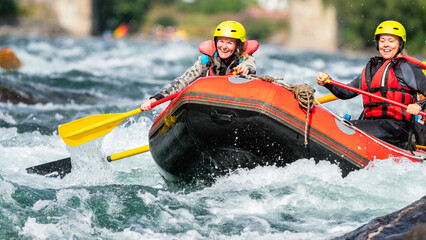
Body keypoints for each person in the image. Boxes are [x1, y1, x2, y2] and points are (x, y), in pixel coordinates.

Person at [316, 20, 426, 149]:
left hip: (397, 129)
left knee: (349, 128)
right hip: (374, 124)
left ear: (400, 44)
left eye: (391, 41)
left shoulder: (408, 67)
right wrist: (328, 82)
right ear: (377, 43)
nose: (386, 45)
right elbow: (347, 93)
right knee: (345, 125)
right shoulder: (372, 68)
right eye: (382, 40)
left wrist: (419, 105)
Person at [141, 20, 258, 111]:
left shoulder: (245, 59)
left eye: (230, 43)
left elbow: (250, 66)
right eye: (221, 41)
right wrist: (155, 98)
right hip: (208, 105)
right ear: (216, 41)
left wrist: (246, 69)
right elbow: (182, 81)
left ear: (238, 46)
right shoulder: (206, 61)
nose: (224, 46)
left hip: (234, 104)